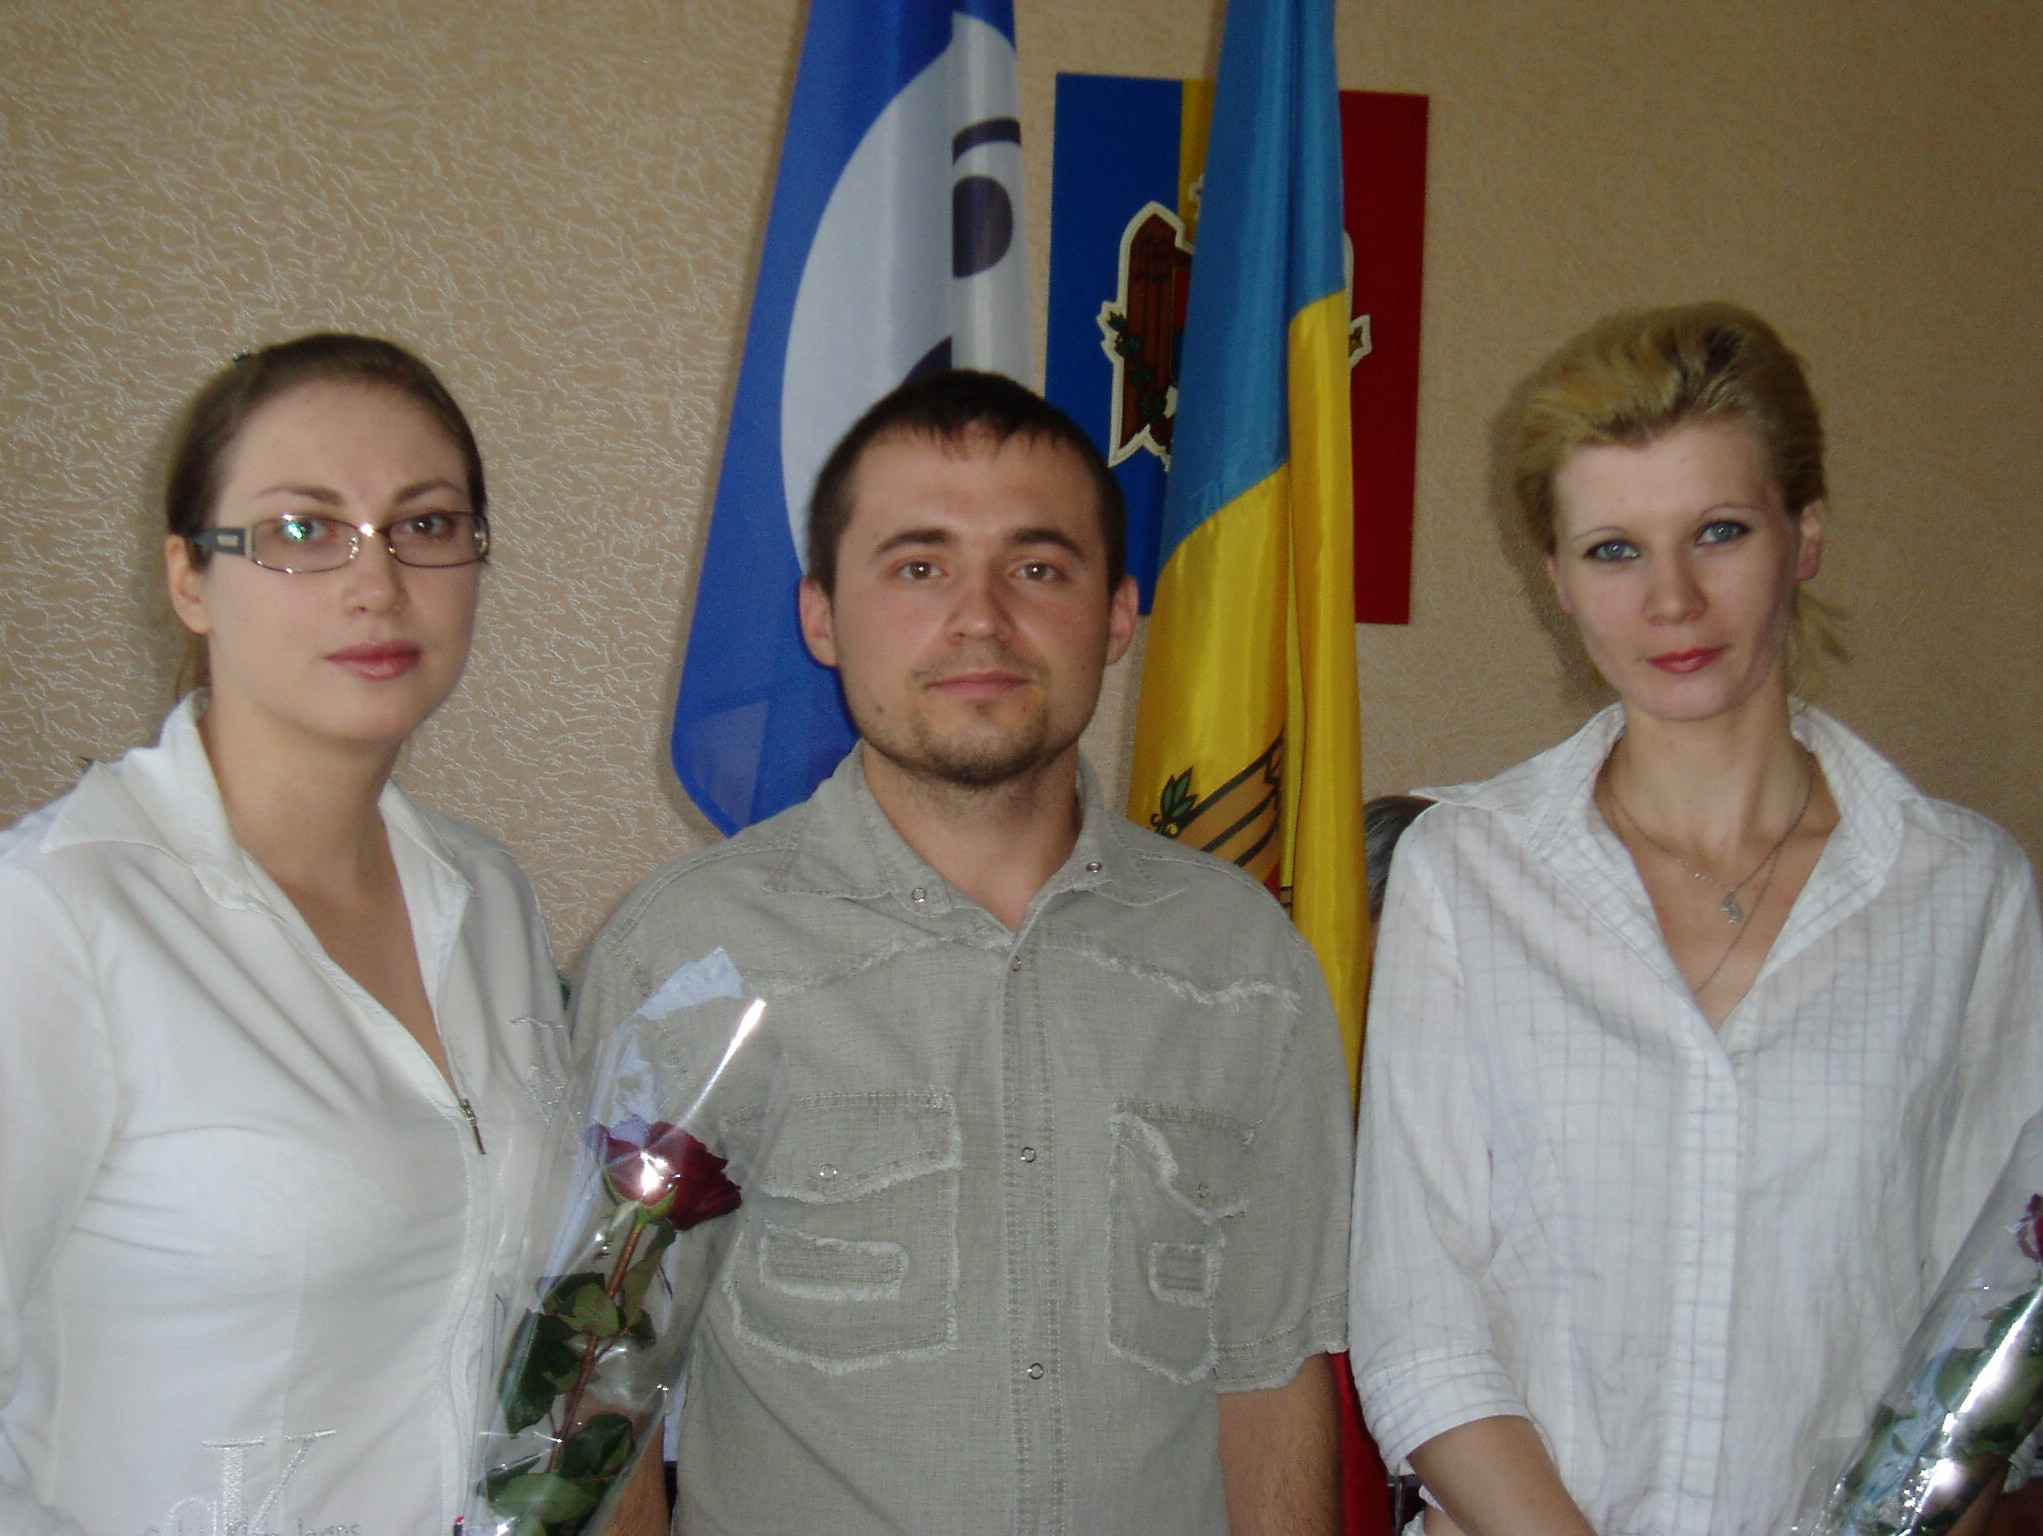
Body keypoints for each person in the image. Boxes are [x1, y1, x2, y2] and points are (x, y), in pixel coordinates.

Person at [572, 369, 1354, 1534]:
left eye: (1037, 569)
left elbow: (1267, 1369)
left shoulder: (1244, 965)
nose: (979, 618)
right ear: (820, 617)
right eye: (917, 567)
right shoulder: (685, 961)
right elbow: (601, 1383)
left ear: (1118, 615)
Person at [1348, 302, 2043, 1536]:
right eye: (1613, 550)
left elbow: (1988, 1327)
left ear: (1804, 533)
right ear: (1556, 579)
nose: (1669, 599)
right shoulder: (1463, 875)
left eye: (1717, 532)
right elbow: (1417, 1326)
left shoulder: (1963, 892)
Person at [0, 335, 577, 1534]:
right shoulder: (58, 919)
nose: (376, 584)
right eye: (301, 531)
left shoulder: (486, 897)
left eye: (424, 524)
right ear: (188, 579)